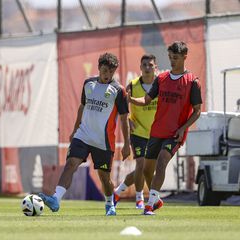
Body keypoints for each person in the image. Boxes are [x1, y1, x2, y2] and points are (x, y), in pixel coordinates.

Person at [39, 53, 131, 216]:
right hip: (82, 135)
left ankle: (109, 203)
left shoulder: (118, 91)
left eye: (110, 71)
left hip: (103, 141)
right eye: (104, 70)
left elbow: (124, 118)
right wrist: (75, 130)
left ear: (114, 71)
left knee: (104, 177)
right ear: (99, 68)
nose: (107, 74)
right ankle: (56, 199)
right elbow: (82, 107)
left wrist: (126, 144)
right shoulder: (88, 84)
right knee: (71, 164)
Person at [128, 41, 202, 215]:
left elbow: (197, 111)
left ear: (185, 57)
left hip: (174, 133)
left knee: (161, 162)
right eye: (170, 57)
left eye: (175, 58)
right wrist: (130, 99)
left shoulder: (192, 82)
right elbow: (146, 100)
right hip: (157, 131)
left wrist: (183, 128)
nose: (172, 61)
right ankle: (157, 199)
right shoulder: (161, 79)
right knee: (147, 169)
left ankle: (150, 204)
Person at [113, 54, 158, 209]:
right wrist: (129, 120)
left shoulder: (161, 85)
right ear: (140, 67)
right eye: (144, 65)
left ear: (155, 67)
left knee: (148, 169)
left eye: (150, 65)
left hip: (156, 134)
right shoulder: (132, 85)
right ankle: (140, 199)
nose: (147, 68)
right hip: (138, 131)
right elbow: (122, 108)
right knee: (140, 164)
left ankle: (118, 192)